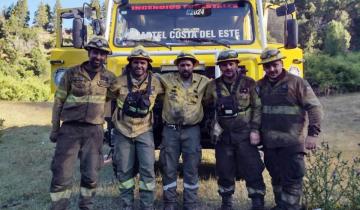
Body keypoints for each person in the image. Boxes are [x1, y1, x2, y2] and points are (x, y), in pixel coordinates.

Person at [49, 37, 115, 210]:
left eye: (102, 54)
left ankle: (86, 207)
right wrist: (55, 130)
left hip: (94, 132)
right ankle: (58, 207)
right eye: (95, 52)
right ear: (89, 52)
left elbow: (118, 97)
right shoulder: (71, 73)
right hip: (70, 131)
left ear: (106, 56)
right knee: (62, 174)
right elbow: (58, 102)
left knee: (91, 175)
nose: (98, 57)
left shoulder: (109, 77)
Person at [257, 48, 323, 210]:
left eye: (275, 65)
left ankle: (291, 207)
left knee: (293, 179)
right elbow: (255, 112)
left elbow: (315, 108)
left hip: (292, 143)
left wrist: (313, 134)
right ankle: (282, 205)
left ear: (281, 63)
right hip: (270, 144)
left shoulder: (297, 83)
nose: (271, 69)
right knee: (277, 178)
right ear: (263, 68)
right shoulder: (260, 86)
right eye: (267, 66)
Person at [203, 50, 266, 210]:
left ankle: (257, 201)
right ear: (220, 67)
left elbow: (258, 108)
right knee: (224, 169)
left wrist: (255, 130)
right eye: (224, 65)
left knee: (252, 168)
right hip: (223, 135)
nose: (228, 67)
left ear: (237, 65)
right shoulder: (212, 86)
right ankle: (226, 202)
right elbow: (205, 104)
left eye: (231, 64)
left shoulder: (250, 83)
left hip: (245, 134)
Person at [110, 45, 164, 210]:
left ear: (148, 64)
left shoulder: (157, 82)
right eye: (135, 62)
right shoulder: (118, 82)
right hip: (122, 131)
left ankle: (146, 205)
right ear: (130, 64)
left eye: (142, 62)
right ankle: (127, 204)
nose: (139, 66)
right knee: (124, 171)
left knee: (147, 170)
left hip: (144, 131)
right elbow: (107, 98)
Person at [158, 51, 209, 210]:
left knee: (191, 168)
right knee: (168, 167)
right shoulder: (165, 80)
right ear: (177, 66)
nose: (185, 67)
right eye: (182, 65)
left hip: (192, 131)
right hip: (170, 131)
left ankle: (190, 203)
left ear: (194, 66)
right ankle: (170, 203)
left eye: (188, 64)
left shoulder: (204, 82)